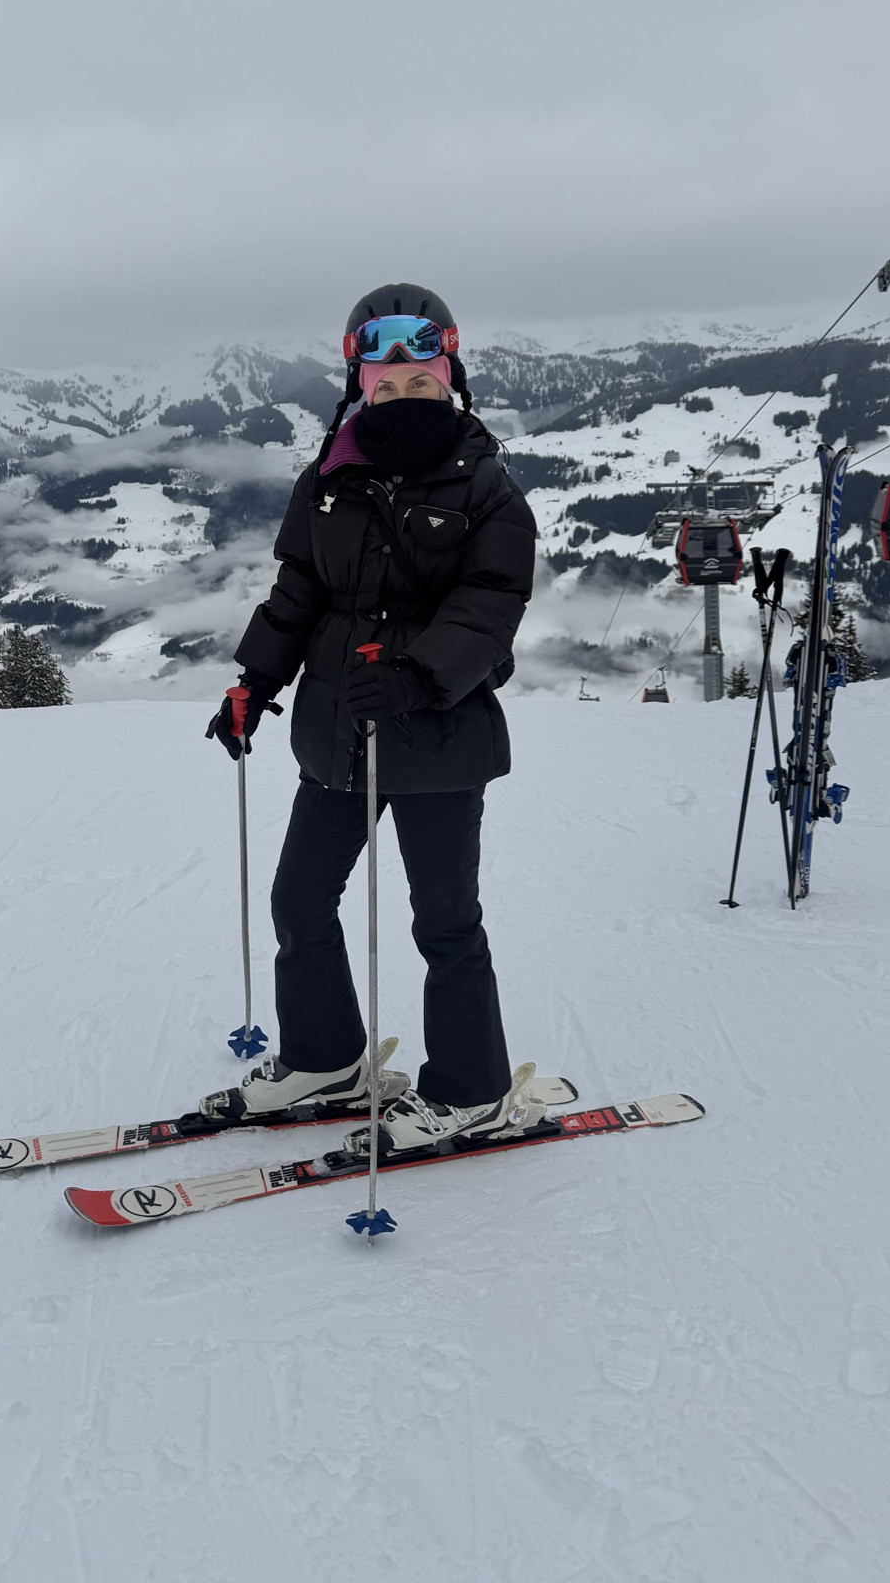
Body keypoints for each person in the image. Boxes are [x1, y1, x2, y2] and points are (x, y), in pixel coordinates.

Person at [201, 283, 542, 1153]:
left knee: (443, 921)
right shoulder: (327, 482)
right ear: (359, 385)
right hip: (337, 727)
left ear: (449, 380)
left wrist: (418, 679)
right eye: (385, 387)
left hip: (437, 731)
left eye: (419, 383)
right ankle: (326, 1059)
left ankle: (471, 1090)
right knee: (299, 899)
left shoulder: (490, 489)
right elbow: (298, 592)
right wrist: (255, 683)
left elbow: (488, 605)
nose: (402, 397)